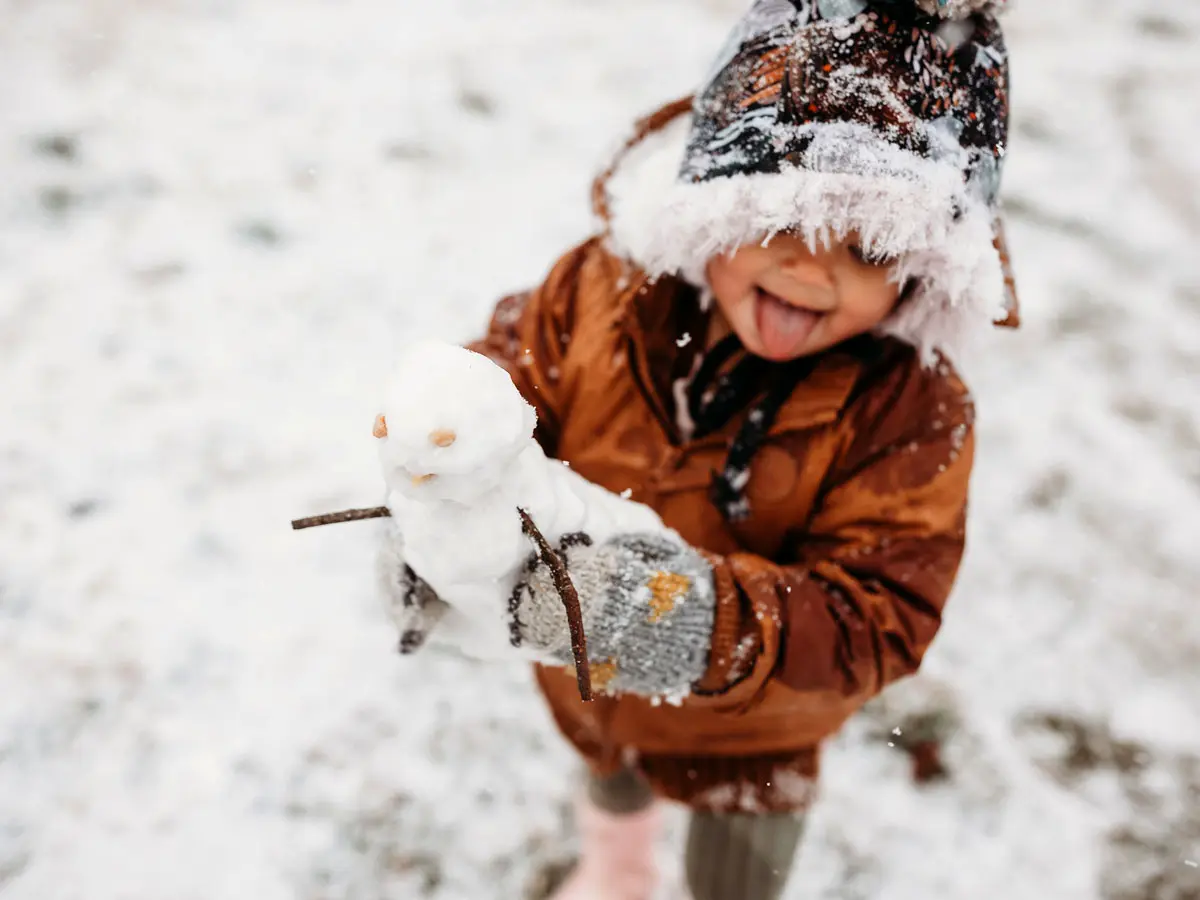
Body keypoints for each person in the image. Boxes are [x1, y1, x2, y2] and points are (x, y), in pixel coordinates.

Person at [379, 0, 1018, 897]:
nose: (811, 270)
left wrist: (687, 626)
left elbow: (880, 615)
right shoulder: (603, 295)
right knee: (609, 771)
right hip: (584, 667)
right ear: (716, 200)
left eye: (868, 245)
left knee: (736, 877)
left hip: (752, 732)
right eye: (782, 216)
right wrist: (442, 500)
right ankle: (618, 867)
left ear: (922, 264)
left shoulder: (908, 412)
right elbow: (510, 381)